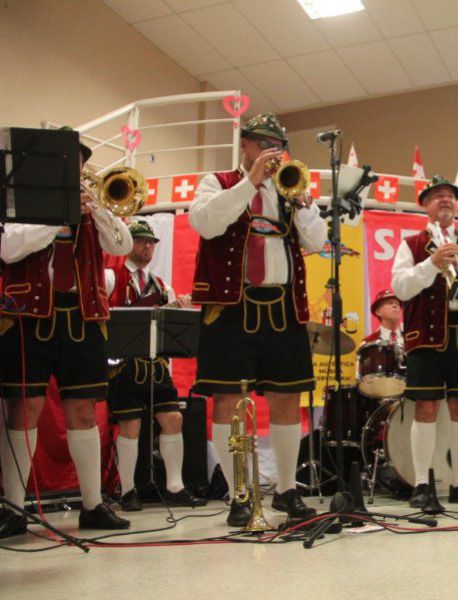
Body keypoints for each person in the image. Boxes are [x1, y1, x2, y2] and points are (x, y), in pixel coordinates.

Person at [188, 113, 327, 527]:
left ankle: (286, 490)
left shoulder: (290, 190)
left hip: (283, 308)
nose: (270, 151)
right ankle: (239, 495)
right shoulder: (217, 183)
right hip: (231, 309)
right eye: (262, 143)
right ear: (244, 145)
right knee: (228, 403)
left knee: (287, 399)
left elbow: (317, 242)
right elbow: (206, 223)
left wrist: (303, 205)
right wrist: (249, 182)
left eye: (276, 145)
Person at [0, 131, 133, 538]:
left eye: (76, 161)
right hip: (29, 315)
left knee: (83, 410)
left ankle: (92, 505)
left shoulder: (91, 206)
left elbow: (123, 243)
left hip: (83, 316)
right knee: (24, 409)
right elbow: (8, 249)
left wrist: (101, 213)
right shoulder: (15, 200)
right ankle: (13, 507)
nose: (71, 168)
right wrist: (58, 215)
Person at [391, 175, 458, 507]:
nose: (445, 199)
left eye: (449, 195)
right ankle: (421, 483)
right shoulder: (412, 244)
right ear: (424, 205)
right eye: (437, 196)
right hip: (428, 336)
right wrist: (431, 264)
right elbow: (402, 288)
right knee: (426, 407)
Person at [105, 219, 206, 511]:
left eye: (150, 242)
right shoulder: (111, 277)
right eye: (140, 241)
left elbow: (171, 331)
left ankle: (175, 486)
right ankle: (127, 489)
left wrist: (180, 310)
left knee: (173, 419)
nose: (147, 246)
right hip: (125, 368)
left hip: (157, 367)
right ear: (128, 244)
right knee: (130, 425)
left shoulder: (163, 286)